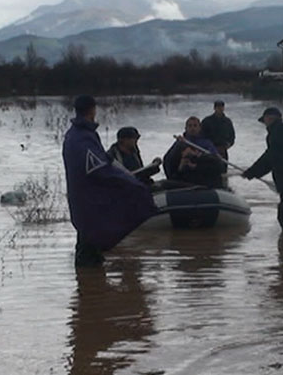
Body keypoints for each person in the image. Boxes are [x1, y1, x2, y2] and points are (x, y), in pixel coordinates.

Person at [62, 95, 156, 267]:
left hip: (82, 201)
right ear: (92, 110)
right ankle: (90, 284)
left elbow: (103, 163)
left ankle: (91, 289)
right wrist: (131, 183)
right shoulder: (83, 138)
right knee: (89, 252)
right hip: (90, 202)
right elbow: (100, 169)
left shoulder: (74, 136)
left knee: (88, 250)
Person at [242, 107, 283, 237]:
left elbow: (271, 156)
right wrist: (253, 172)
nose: (264, 124)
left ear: (269, 119)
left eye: (265, 120)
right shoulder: (280, 131)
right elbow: (273, 159)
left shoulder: (279, 131)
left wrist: (252, 171)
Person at [163, 116, 223, 188]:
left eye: (195, 126)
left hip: (201, 176)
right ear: (186, 128)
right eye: (190, 126)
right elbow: (167, 161)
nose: (192, 128)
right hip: (184, 178)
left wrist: (196, 155)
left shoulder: (207, 143)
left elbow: (216, 160)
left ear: (199, 128)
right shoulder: (180, 143)